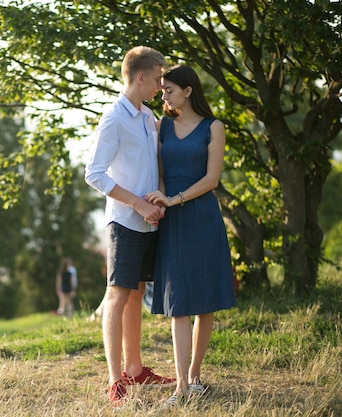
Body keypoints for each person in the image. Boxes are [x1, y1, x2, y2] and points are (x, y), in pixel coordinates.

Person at [85, 45, 175, 407]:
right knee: (118, 297)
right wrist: (137, 203)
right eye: (156, 80)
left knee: (136, 293)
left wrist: (157, 199)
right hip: (124, 221)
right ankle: (115, 379)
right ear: (140, 77)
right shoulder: (114, 118)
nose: (159, 86)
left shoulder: (146, 116)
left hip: (150, 222)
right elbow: (93, 174)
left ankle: (135, 369)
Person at [145, 64, 237, 408]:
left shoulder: (214, 127)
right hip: (172, 220)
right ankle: (181, 386)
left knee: (203, 300)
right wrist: (161, 198)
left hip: (202, 217)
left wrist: (176, 199)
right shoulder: (162, 127)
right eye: (162, 89)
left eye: (168, 89)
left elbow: (212, 179)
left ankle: (194, 375)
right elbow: (161, 172)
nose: (163, 94)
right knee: (178, 303)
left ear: (188, 90)